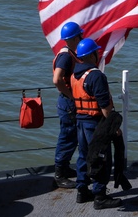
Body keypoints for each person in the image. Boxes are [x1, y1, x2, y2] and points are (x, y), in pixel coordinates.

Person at [70, 37, 122, 209]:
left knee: (84, 156)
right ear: (92, 55)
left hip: (80, 122)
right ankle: (100, 196)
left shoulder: (74, 75)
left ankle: (82, 190)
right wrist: (113, 127)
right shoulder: (96, 76)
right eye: (97, 52)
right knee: (101, 158)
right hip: (95, 124)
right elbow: (105, 106)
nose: (98, 54)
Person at [51, 21, 82, 189]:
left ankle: (65, 168)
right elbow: (57, 80)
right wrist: (71, 96)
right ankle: (59, 174)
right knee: (67, 137)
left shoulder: (69, 53)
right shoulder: (65, 56)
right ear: (74, 37)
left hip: (68, 101)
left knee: (72, 137)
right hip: (68, 102)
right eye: (79, 35)